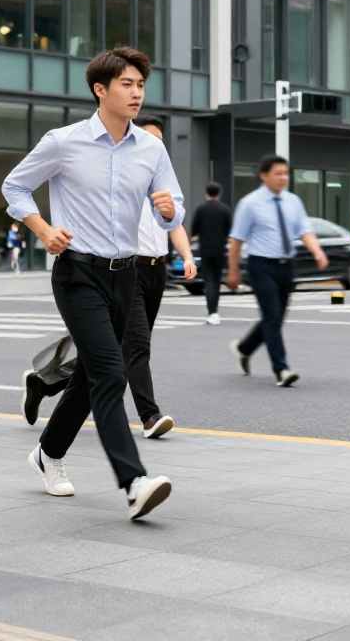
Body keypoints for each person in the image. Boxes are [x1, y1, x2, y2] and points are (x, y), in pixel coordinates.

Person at [2, 46, 182, 521]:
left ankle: (47, 453)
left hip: (128, 276)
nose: (137, 92)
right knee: (110, 372)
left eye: (141, 84)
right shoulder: (64, 141)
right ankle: (133, 481)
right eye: (127, 84)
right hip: (78, 273)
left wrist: (169, 210)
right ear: (100, 90)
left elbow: (174, 206)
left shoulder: (151, 148)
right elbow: (14, 187)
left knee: (89, 374)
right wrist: (43, 230)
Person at [17, 116, 197, 438]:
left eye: (158, 142)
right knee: (132, 348)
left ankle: (44, 383)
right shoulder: (114, 176)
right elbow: (17, 187)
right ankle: (149, 416)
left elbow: (174, 221)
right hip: (125, 267)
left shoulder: (155, 175)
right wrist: (46, 231)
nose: (151, 146)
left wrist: (185, 254)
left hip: (154, 270)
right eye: (146, 137)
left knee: (110, 351)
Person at [225, 155, 329, 387]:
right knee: (272, 316)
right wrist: (233, 273)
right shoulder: (250, 203)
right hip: (261, 265)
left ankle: (243, 348)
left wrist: (317, 252)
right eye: (278, 173)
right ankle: (282, 370)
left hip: (286, 266)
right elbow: (236, 241)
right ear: (264, 176)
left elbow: (305, 230)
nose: (283, 178)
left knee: (276, 318)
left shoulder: (293, 201)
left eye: (286, 173)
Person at [189, 182, 232, 325]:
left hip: (205, 249)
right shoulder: (225, 210)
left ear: (206, 193)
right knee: (217, 279)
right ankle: (215, 310)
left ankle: (211, 310)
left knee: (208, 281)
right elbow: (229, 231)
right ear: (219, 193)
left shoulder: (201, 209)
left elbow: (194, 230)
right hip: (220, 249)